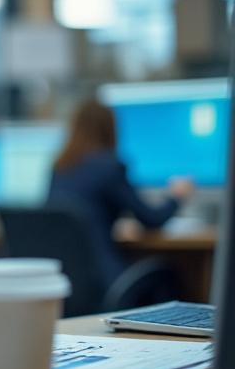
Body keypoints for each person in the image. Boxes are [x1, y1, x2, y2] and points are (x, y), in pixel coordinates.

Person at [48, 99, 194, 288]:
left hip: (64, 282)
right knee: (172, 277)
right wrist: (177, 197)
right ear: (111, 129)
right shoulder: (110, 167)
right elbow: (151, 219)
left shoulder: (58, 168)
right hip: (102, 280)